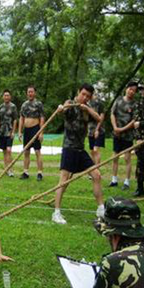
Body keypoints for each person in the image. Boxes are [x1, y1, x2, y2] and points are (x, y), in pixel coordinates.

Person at [52, 84, 104, 224]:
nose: (85, 97)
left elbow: (99, 119)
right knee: (63, 180)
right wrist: (60, 109)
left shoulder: (87, 109)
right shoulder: (70, 103)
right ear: (78, 92)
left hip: (81, 150)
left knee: (96, 175)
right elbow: (62, 111)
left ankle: (101, 210)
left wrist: (87, 108)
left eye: (88, 96)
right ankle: (56, 212)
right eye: (83, 94)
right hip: (69, 148)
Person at [110, 81, 138, 190]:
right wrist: (115, 127)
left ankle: (126, 182)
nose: (132, 92)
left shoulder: (135, 104)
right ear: (126, 89)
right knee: (115, 157)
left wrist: (122, 129)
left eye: (134, 91)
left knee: (127, 158)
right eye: (130, 89)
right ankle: (114, 180)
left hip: (128, 135)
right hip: (117, 134)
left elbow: (134, 120)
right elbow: (112, 113)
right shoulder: (118, 100)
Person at [18, 85, 45, 181]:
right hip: (27, 130)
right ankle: (25, 172)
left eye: (32, 92)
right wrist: (20, 131)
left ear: (35, 93)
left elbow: (42, 118)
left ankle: (40, 173)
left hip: (36, 129)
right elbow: (21, 118)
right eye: (28, 92)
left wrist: (41, 132)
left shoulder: (38, 104)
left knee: (37, 151)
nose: (30, 93)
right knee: (26, 152)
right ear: (27, 93)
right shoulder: (24, 105)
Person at [0, 89, 18, 177]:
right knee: (4, 151)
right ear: (3, 97)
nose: (6, 97)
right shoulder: (0, 107)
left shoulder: (13, 107)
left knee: (9, 150)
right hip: (2, 132)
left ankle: (11, 170)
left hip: (9, 132)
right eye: (5, 95)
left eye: (8, 95)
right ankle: (6, 169)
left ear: (10, 97)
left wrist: (13, 132)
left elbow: (15, 120)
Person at [87, 94, 105, 166]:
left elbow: (102, 118)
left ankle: (97, 169)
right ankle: (92, 169)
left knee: (96, 150)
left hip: (99, 130)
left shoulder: (99, 104)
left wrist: (97, 130)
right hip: (90, 131)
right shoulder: (87, 104)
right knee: (92, 151)